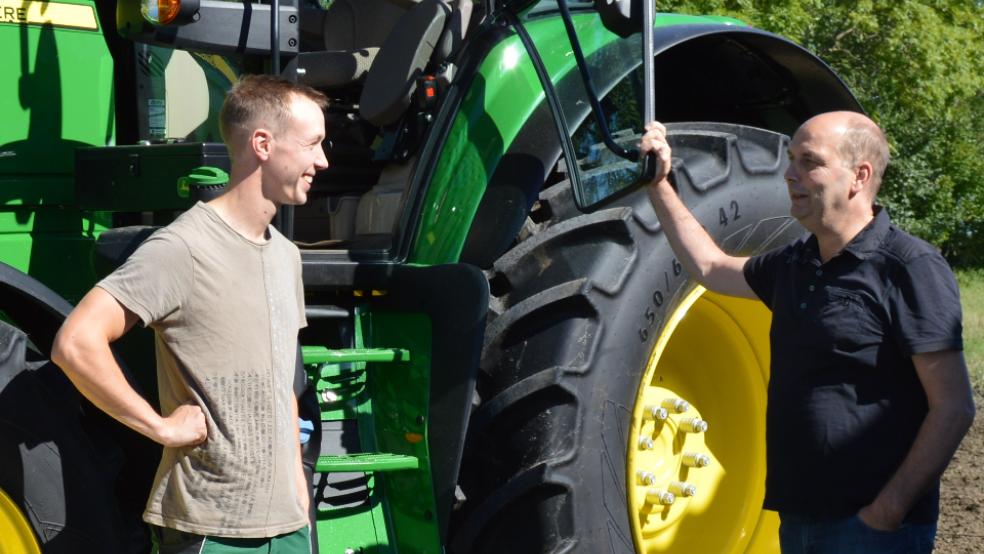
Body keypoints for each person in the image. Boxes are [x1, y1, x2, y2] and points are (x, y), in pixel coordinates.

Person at [640, 112, 975, 553]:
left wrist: (886, 512)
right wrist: (659, 184)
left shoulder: (908, 267)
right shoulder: (795, 264)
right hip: (798, 521)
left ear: (860, 175)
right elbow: (710, 266)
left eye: (808, 162)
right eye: (791, 159)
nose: (789, 175)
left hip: (870, 531)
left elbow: (953, 407)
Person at [52, 75, 330, 553]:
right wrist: (158, 426)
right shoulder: (181, 248)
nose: (322, 161)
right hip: (211, 533)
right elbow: (76, 342)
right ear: (262, 144)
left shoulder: (287, 256)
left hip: (289, 529)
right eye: (313, 144)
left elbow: (283, 380)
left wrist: (300, 499)